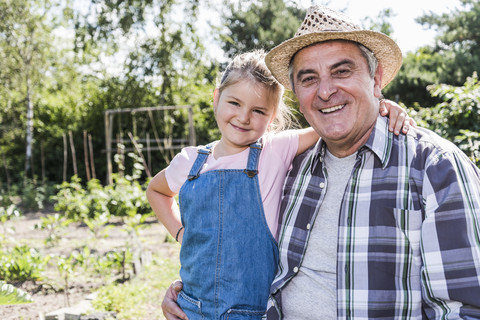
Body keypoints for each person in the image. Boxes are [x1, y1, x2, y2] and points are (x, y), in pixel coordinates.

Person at [161, 5, 480, 320]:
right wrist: (195, 292)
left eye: (342, 71)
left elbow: (465, 311)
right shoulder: (291, 164)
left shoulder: (434, 166)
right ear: (296, 93)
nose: (326, 91)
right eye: (309, 78)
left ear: (376, 77)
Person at [148, 48, 412, 320]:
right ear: (216, 98)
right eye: (234, 103)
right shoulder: (190, 161)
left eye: (258, 110)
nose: (243, 117)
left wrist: (380, 106)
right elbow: (156, 191)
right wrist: (181, 234)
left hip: (255, 312)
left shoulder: (274, 150)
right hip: (192, 309)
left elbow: (335, 121)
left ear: (273, 116)